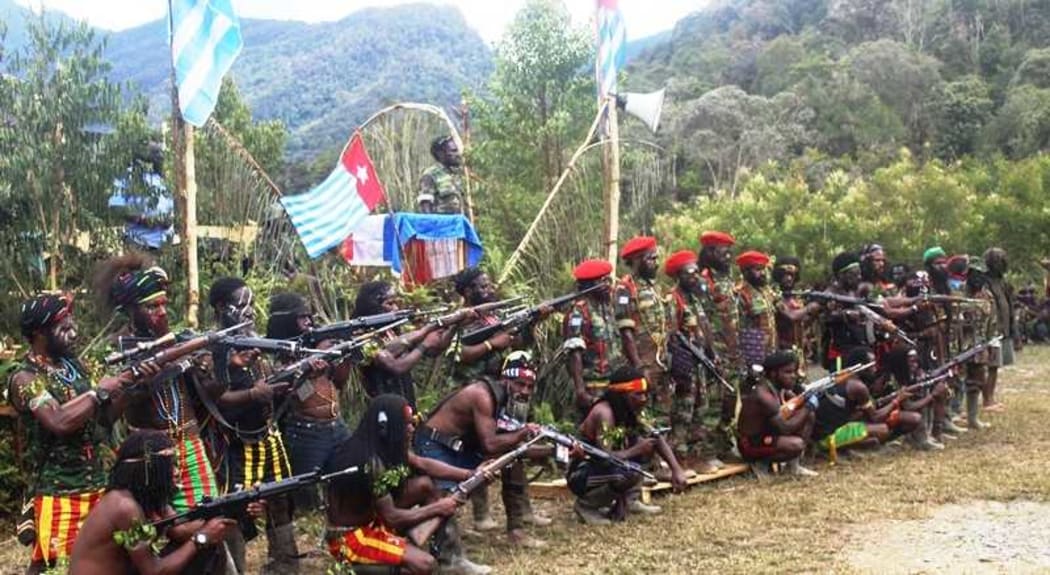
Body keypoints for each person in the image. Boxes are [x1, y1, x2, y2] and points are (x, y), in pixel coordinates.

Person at [7, 293, 153, 574]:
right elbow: (60, 421)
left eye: (72, 323)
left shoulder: (76, 368)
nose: (73, 332)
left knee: (114, 562)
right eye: (64, 326)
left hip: (102, 486)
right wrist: (101, 391)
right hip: (61, 495)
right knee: (58, 567)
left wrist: (131, 388)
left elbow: (103, 421)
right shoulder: (24, 379)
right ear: (38, 332)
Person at [93, 254, 220, 515]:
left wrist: (207, 368)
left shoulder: (178, 340)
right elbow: (104, 418)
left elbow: (216, 394)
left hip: (191, 444)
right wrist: (137, 388)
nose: (162, 312)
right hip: (149, 456)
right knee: (155, 529)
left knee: (210, 517)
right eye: (152, 307)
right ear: (130, 310)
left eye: (163, 304)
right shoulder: (115, 349)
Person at [446, 267, 552, 535]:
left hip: (502, 394)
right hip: (474, 395)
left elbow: (516, 349)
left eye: (488, 285)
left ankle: (523, 511)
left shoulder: (494, 316)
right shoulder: (460, 321)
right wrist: (493, 344)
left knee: (514, 450)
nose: (489, 289)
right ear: (467, 291)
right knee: (478, 453)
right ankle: (482, 515)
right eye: (482, 287)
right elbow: (457, 354)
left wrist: (532, 323)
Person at [206, 277, 299, 574]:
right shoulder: (211, 347)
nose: (249, 311)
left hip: (266, 437)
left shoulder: (255, 339)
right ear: (222, 307)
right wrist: (251, 392)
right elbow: (213, 400)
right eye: (241, 304)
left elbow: (265, 382)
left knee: (280, 497)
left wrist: (285, 383)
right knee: (235, 510)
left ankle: (284, 565)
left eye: (251, 304)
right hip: (232, 445)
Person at [416, 352, 550, 549]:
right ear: (506, 380)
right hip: (434, 445)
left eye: (529, 386)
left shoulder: (503, 398)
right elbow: (491, 444)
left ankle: (517, 531)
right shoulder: (483, 395)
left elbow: (511, 445)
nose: (525, 391)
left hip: (459, 448)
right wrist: (523, 433)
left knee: (512, 459)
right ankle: (449, 555)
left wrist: (554, 451)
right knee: (442, 500)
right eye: (520, 384)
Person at [323, 395, 465, 575]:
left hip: (373, 519)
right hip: (352, 538)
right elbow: (392, 518)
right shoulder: (369, 462)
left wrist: (470, 474)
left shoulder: (381, 443)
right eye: (405, 424)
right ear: (386, 428)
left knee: (424, 486)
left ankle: (450, 558)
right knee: (424, 564)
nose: (411, 428)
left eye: (412, 422)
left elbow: (422, 463)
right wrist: (439, 508)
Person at [69, 430, 238, 575]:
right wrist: (202, 537)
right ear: (150, 469)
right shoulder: (124, 507)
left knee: (205, 549)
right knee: (200, 545)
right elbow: (154, 571)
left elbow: (180, 530)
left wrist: (230, 513)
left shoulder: (147, 498)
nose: (177, 472)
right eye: (170, 465)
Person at [266, 292, 353, 508]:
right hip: (306, 431)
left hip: (336, 425)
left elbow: (339, 382)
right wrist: (308, 369)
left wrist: (343, 353)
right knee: (305, 496)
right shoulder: (277, 354)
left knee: (348, 479)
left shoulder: (316, 344)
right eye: (301, 317)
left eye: (309, 316)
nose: (308, 322)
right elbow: (287, 392)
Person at [569, 366, 687, 525]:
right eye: (637, 394)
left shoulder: (633, 409)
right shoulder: (605, 413)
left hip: (607, 467)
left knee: (644, 444)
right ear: (622, 395)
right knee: (629, 469)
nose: (644, 399)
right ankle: (586, 506)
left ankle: (630, 501)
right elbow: (604, 457)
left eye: (645, 394)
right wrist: (636, 450)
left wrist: (676, 469)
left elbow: (656, 437)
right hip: (582, 473)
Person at [353, 280, 465, 410]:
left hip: (405, 401)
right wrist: (427, 335)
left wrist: (454, 325)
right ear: (372, 307)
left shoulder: (392, 332)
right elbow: (397, 366)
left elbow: (435, 350)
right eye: (390, 304)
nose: (396, 309)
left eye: (396, 303)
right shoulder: (361, 337)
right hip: (382, 407)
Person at [664, 250, 721, 472]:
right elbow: (671, 335)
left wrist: (712, 353)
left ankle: (697, 457)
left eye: (697, 272)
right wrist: (680, 367)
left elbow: (704, 329)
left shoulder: (696, 299)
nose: (695, 276)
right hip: (685, 366)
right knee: (683, 413)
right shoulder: (672, 299)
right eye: (690, 273)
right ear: (679, 275)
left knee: (701, 409)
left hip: (701, 363)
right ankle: (679, 459)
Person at [696, 231, 743, 458]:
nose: (728, 256)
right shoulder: (703, 281)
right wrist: (709, 350)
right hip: (715, 352)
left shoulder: (726, 278)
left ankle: (724, 446)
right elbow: (700, 318)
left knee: (730, 401)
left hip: (733, 351)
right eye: (724, 252)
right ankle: (707, 451)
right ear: (710, 252)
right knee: (713, 403)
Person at [614, 236, 671, 424]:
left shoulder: (654, 288)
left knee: (663, 412)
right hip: (641, 363)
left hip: (660, 362)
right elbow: (625, 332)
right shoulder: (625, 288)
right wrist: (639, 366)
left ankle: (661, 451)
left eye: (656, 258)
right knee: (642, 415)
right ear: (637, 261)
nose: (656, 263)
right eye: (650, 259)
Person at [812, 347, 908, 460]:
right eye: (871, 365)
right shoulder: (858, 386)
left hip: (820, 432)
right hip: (826, 437)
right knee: (883, 430)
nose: (875, 368)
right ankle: (835, 449)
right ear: (861, 367)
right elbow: (875, 417)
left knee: (869, 431)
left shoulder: (842, 376)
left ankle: (850, 446)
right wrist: (897, 400)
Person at [736, 350, 818, 479]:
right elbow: (785, 428)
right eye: (788, 372)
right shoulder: (764, 396)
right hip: (751, 444)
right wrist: (809, 406)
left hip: (768, 434)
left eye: (794, 372)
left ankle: (792, 466)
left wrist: (806, 400)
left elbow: (797, 405)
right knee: (796, 444)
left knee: (809, 416)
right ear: (774, 374)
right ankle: (760, 463)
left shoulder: (779, 389)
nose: (794, 376)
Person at [563, 259, 622, 415]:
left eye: (608, 279)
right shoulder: (579, 312)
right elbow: (574, 352)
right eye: (603, 281)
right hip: (594, 384)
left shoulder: (607, 306)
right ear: (590, 285)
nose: (608, 285)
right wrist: (581, 390)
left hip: (613, 380)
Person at [878, 346, 949, 450]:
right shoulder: (890, 379)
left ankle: (933, 433)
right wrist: (932, 395)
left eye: (916, 361)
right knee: (917, 411)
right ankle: (920, 440)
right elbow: (909, 406)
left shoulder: (905, 374)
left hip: (894, 414)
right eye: (911, 361)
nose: (915, 365)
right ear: (901, 362)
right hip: (883, 418)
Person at [771, 256, 820, 379]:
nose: (788, 278)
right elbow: (791, 316)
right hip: (782, 350)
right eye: (784, 275)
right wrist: (809, 308)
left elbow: (802, 323)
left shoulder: (797, 299)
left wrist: (816, 313)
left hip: (799, 350)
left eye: (791, 275)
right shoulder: (774, 296)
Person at [984, 247, 1018, 412]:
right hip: (991, 331)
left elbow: (1009, 306)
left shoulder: (1002, 282)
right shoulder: (984, 281)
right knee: (990, 366)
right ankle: (987, 400)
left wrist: (1012, 329)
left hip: (1002, 329)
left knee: (995, 366)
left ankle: (990, 398)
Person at [734, 250, 779, 369]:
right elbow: (738, 328)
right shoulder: (741, 293)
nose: (763, 273)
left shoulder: (765, 290)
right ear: (745, 272)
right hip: (753, 352)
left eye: (764, 268)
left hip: (771, 349)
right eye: (758, 269)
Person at [418, 135, 465, 215]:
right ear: (440, 154)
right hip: (443, 225)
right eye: (453, 151)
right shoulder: (430, 175)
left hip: (461, 224)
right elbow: (425, 206)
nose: (457, 154)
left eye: (457, 151)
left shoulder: (459, 174)